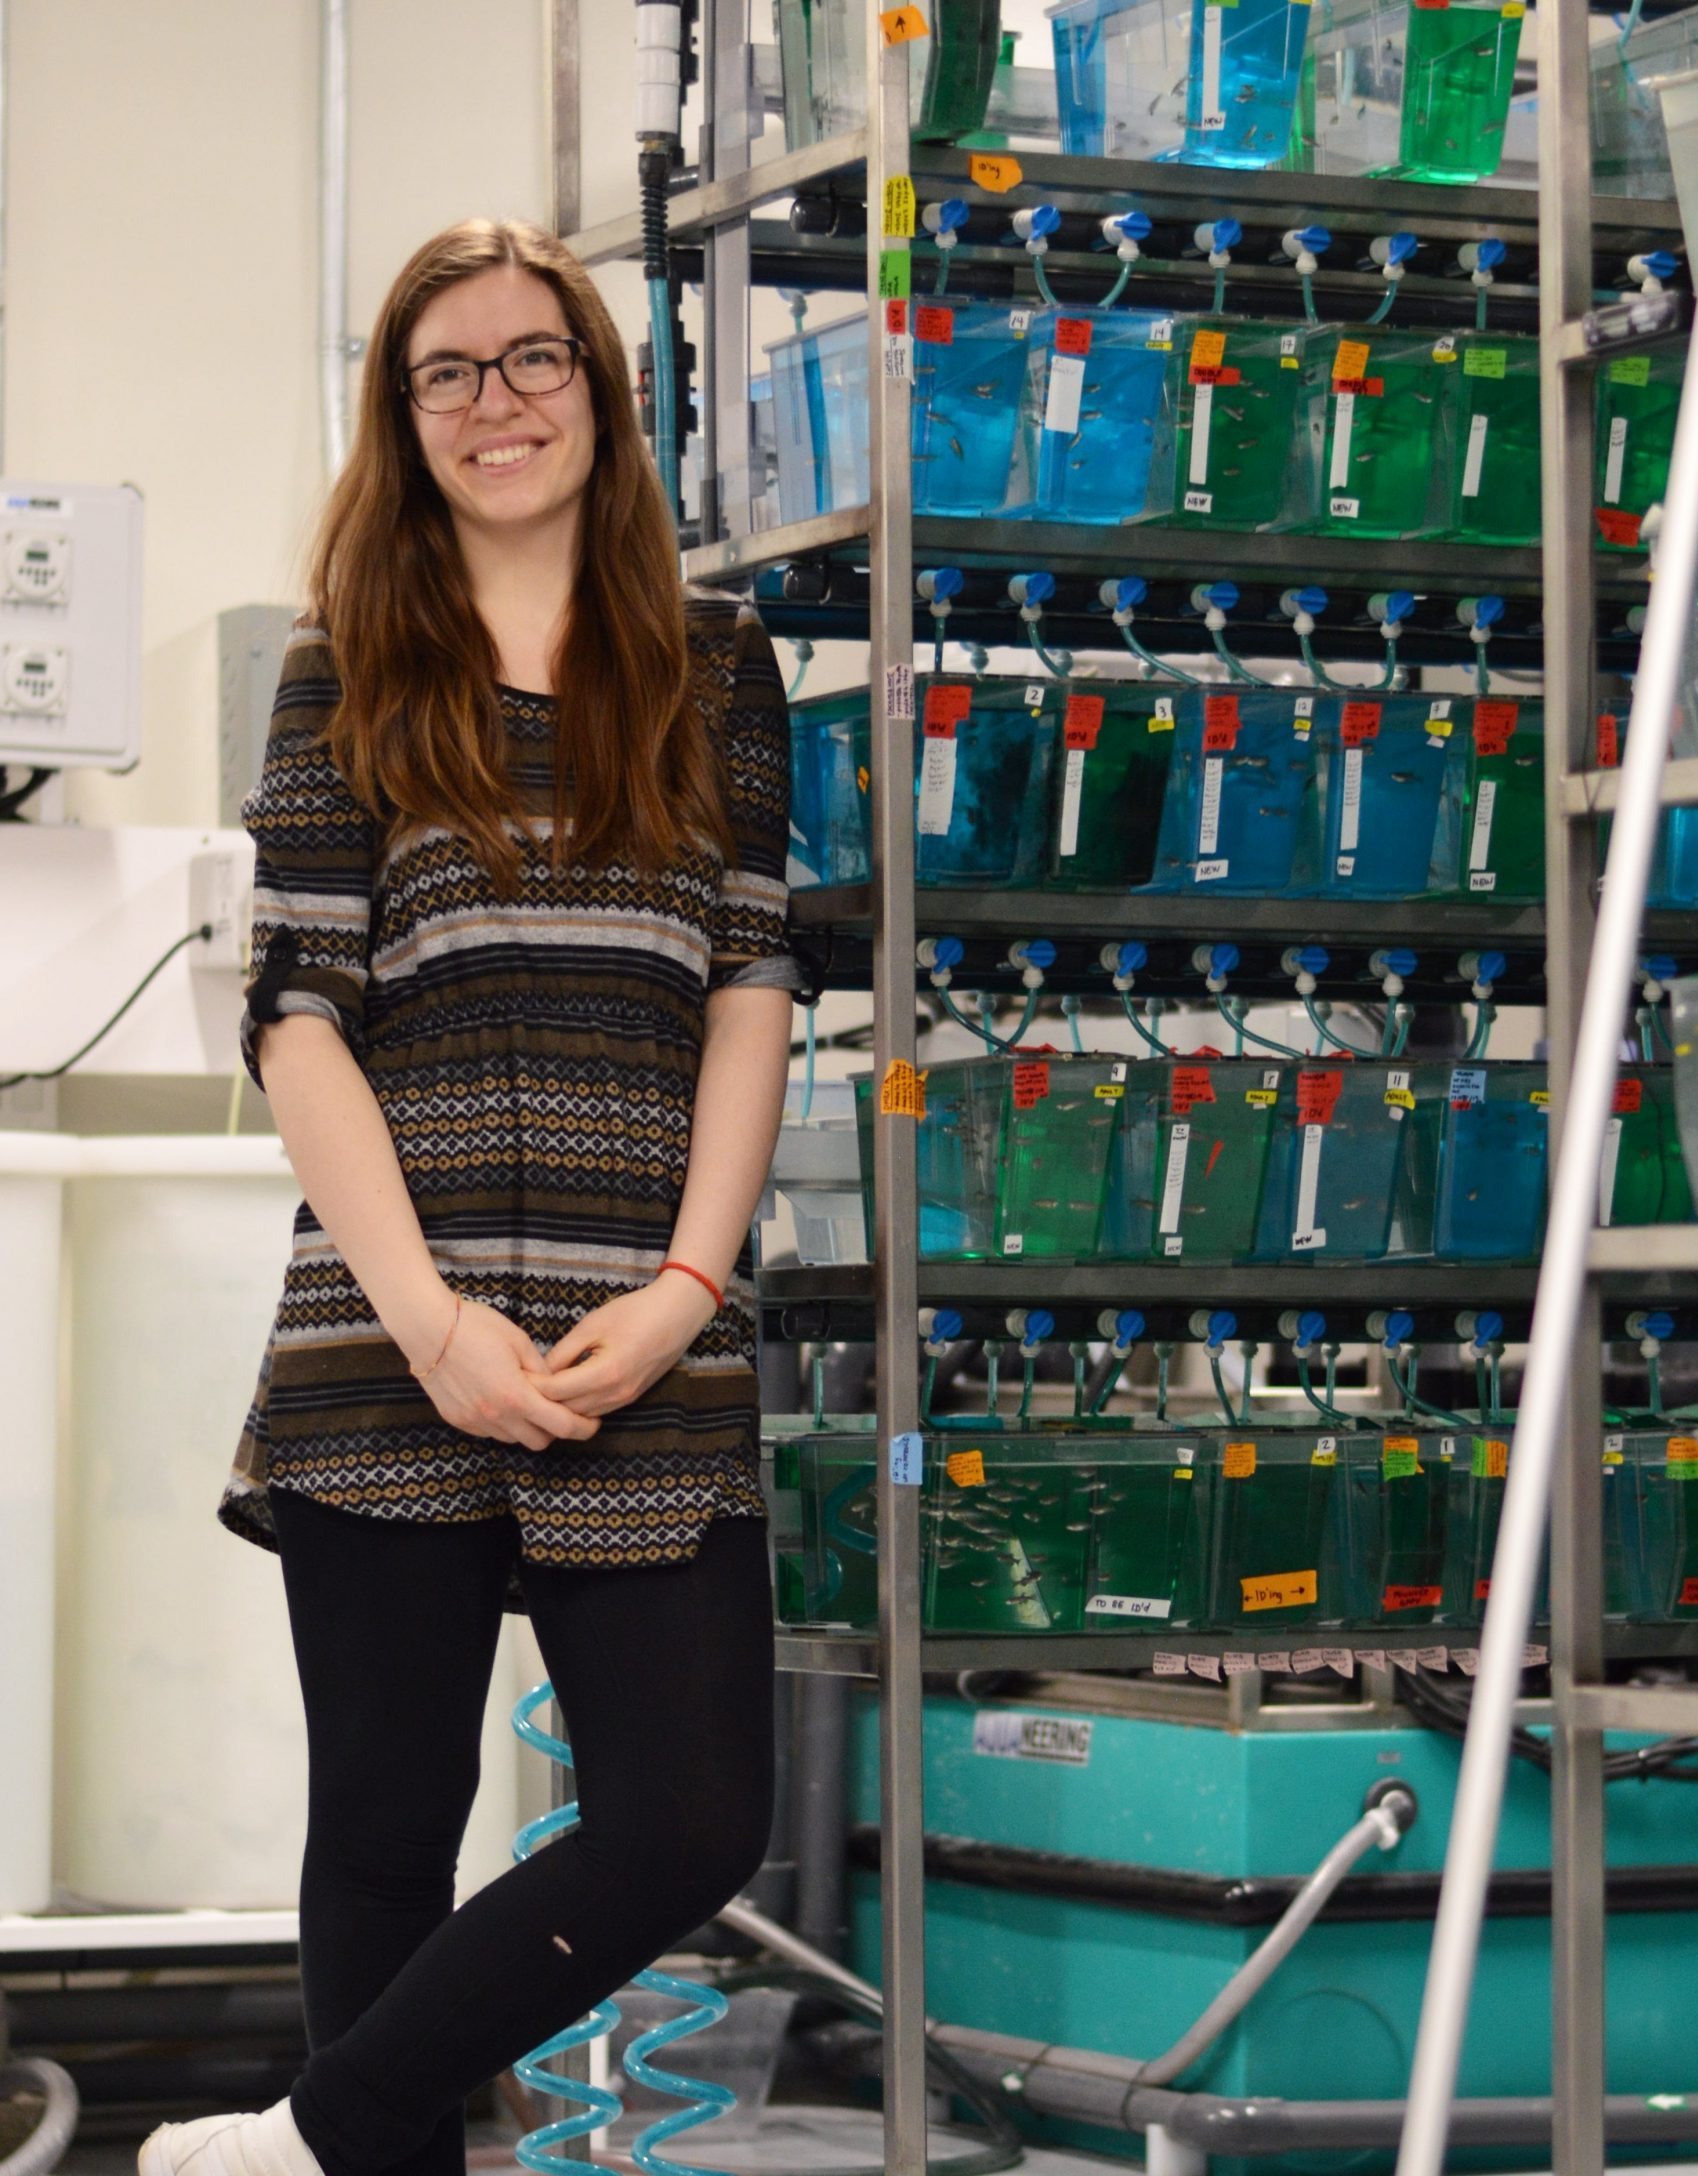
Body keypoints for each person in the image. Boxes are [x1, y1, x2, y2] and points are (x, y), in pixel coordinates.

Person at [140, 217, 800, 2176]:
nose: (494, 401)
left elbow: (753, 984)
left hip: (645, 1323)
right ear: (400, 414)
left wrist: (692, 1280)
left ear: (598, 396)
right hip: (388, 1329)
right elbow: (297, 1017)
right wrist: (432, 1318)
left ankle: (305, 2137)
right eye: (448, 371)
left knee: (688, 1811)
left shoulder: (714, 666)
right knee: (385, 1831)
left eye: (533, 361)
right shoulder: (349, 666)